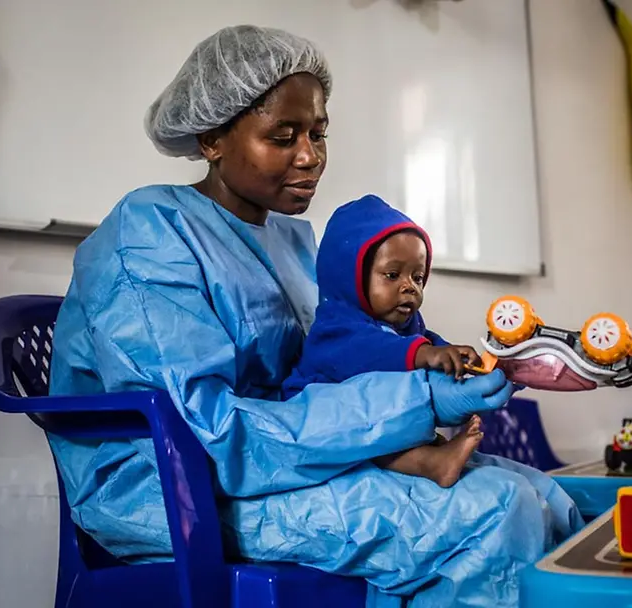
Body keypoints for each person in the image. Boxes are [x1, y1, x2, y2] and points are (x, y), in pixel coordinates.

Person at [48, 24, 584, 608]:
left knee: (545, 496)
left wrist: (455, 372)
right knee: (495, 513)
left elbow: (329, 369)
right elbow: (206, 434)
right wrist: (418, 402)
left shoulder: (291, 242)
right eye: (283, 136)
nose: (310, 157)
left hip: (276, 462)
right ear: (211, 140)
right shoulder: (149, 235)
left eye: (318, 133)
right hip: (169, 490)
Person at [283, 194, 487, 488]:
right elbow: (374, 352)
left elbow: (423, 341)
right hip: (318, 421)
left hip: (372, 417)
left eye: (418, 277)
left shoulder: (405, 323)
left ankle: (435, 454)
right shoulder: (337, 328)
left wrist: (458, 359)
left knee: (411, 435)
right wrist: (427, 354)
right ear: (350, 277)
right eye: (392, 275)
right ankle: (432, 464)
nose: (409, 287)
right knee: (373, 445)